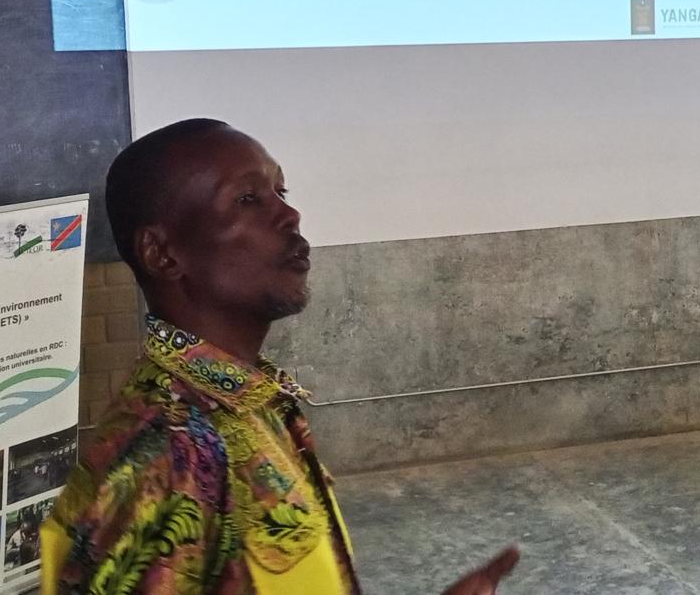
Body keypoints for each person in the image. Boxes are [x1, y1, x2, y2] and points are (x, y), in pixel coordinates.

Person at [40, 119, 520, 595]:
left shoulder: (251, 403)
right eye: (247, 199)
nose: (290, 217)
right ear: (163, 255)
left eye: (281, 193)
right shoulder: (164, 452)